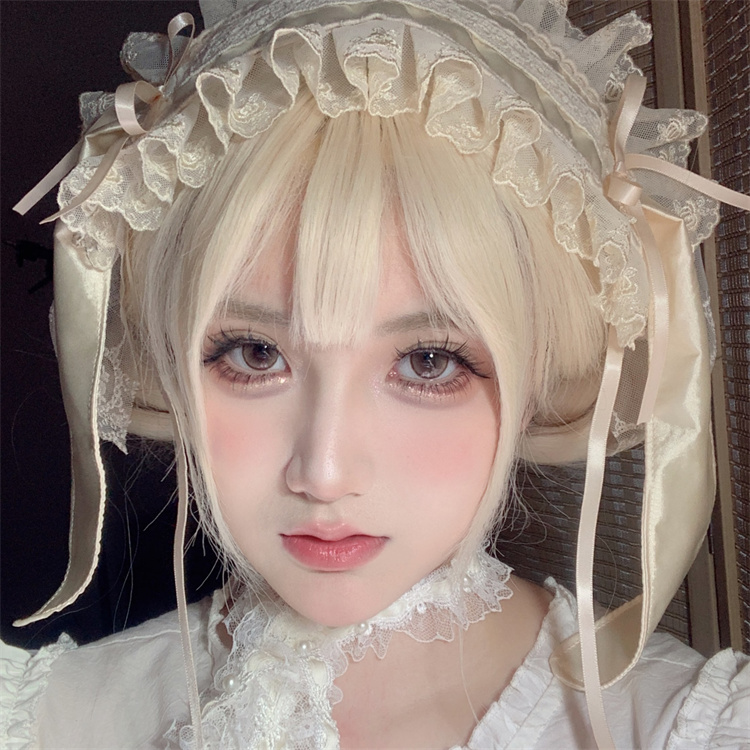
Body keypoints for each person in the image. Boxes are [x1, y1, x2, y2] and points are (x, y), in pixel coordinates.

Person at [2, 0, 749, 748]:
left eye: (428, 361)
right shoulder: (50, 719)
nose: (323, 474)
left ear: (535, 373)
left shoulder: (689, 726)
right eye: (255, 354)